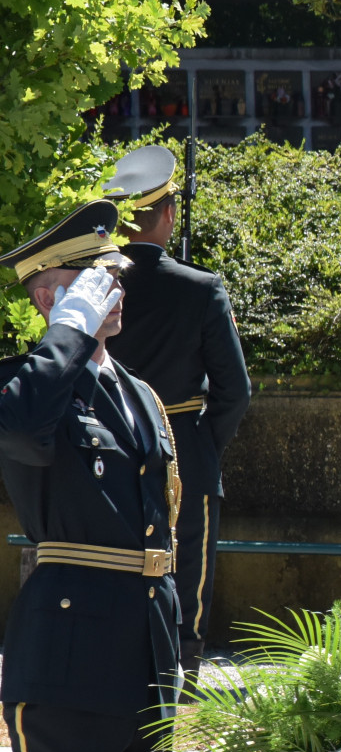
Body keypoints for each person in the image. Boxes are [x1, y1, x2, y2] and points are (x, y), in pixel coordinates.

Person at [0, 201, 181, 752]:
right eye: (94, 278)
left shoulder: (138, 393)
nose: (115, 289)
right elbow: (17, 427)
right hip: (70, 656)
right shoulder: (33, 384)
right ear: (48, 294)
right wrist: (65, 333)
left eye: (113, 275)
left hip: (145, 653)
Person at [102, 145, 251, 681]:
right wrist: (199, 441)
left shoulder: (96, 286)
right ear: (168, 214)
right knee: (187, 556)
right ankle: (182, 659)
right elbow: (234, 390)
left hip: (109, 438)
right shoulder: (201, 288)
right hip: (183, 440)